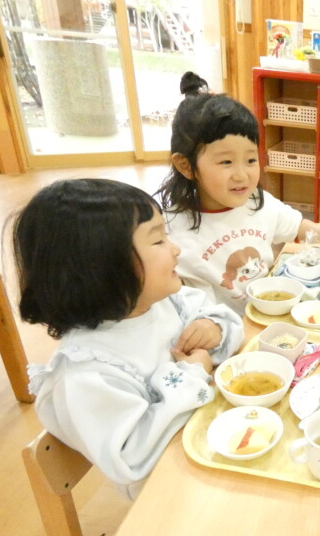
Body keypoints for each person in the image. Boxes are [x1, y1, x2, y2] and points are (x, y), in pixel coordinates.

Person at [14, 179, 244, 499]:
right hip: (170, 493)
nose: (175, 248)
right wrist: (192, 373)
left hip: (213, 445)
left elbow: (230, 322)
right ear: (104, 266)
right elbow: (131, 457)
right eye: (158, 240)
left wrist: (213, 326)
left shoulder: (166, 302)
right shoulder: (87, 372)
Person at [158, 72, 320, 313]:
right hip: (226, 331)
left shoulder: (257, 201)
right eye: (226, 162)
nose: (242, 175)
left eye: (251, 160)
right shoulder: (172, 232)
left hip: (270, 313)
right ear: (186, 166)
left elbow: (298, 227)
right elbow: (184, 307)